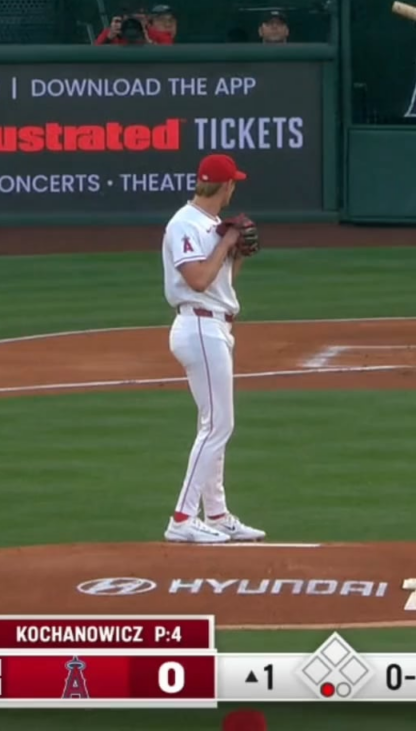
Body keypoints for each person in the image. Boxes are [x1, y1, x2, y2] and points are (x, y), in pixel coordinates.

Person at [162, 153, 266, 544]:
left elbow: (223, 283)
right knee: (219, 426)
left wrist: (236, 254)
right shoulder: (186, 223)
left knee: (213, 426)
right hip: (198, 327)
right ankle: (182, 518)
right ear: (226, 186)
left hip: (215, 327)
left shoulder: (209, 225)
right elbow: (199, 279)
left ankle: (218, 513)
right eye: (233, 183)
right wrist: (228, 241)